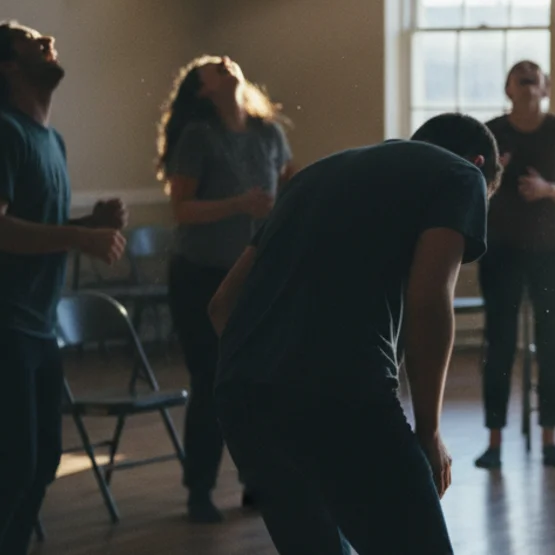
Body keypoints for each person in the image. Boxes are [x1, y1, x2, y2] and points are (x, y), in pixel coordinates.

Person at [208, 113, 501, 555]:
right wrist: (429, 431)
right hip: (343, 392)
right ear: (479, 164)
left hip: (241, 396)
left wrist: (272, 368)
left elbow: (221, 304)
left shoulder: (311, 178)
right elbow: (428, 301)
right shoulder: (461, 175)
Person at [0, 22, 127, 555]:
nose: (47, 41)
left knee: (41, 460)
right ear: (7, 66)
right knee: (13, 465)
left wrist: (88, 224)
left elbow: (30, 226)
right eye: (31, 40)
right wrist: (78, 236)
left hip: (35, 323)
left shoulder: (50, 140)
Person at [155, 54, 294, 522]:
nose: (225, 63)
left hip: (253, 275)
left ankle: (257, 482)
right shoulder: (198, 136)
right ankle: (199, 490)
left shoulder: (268, 133)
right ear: (203, 90)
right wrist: (240, 204)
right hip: (200, 274)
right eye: (213, 67)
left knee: (256, 379)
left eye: (225, 61)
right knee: (211, 381)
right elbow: (182, 210)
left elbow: (291, 186)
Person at [473, 60, 555, 470]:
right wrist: (495, 173)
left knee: (550, 346)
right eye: (519, 79)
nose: (526, 85)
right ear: (508, 89)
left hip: (552, 253)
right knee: (499, 346)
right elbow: (474, 187)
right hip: (501, 253)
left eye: (533, 79)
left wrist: (546, 189)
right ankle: (494, 442)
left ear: (545, 88)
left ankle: (550, 440)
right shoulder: (491, 133)